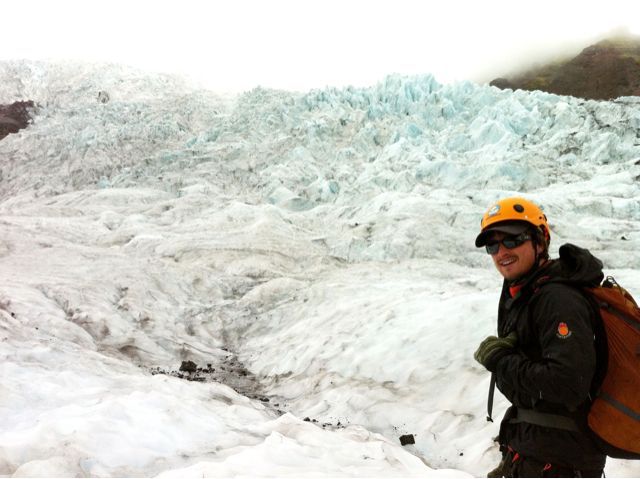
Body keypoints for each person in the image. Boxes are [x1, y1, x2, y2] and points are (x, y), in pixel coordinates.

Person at [473, 197, 606, 478]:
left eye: (511, 240)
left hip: (559, 462)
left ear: (540, 241)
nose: (501, 252)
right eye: (492, 246)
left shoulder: (558, 299)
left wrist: (502, 361)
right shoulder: (527, 292)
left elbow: (568, 384)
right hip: (535, 451)